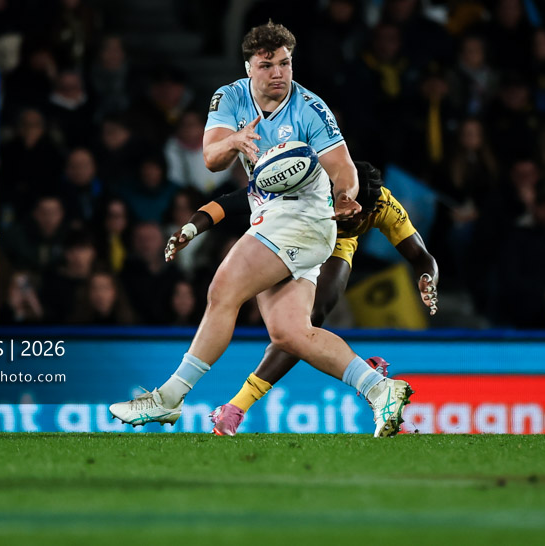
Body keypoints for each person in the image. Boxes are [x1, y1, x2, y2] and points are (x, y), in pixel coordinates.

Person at [108, 22, 414, 437]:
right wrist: (234, 141)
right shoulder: (230, 97)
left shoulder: (310, 107)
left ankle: (169, 398)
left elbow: (342, 166)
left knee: (222, 291)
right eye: (267, 64)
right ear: (249, 66)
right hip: (271, 218)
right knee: (291, 333)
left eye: (285, 63)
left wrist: (345, 195)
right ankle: (380, 390)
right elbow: (211, 159)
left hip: (306, 218)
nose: (278, 73)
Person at [165, 161, 438, 436]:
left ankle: (237, 407)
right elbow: (233, 200)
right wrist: (192, 227)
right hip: (292, 233)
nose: (352, 217)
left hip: (336, 245)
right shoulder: (306, 183)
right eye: (346, 209)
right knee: (283, 327)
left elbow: (421, 256)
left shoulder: (384, 205)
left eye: (359, 215)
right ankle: (367, 380)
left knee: (308, 321)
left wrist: (428, 278)